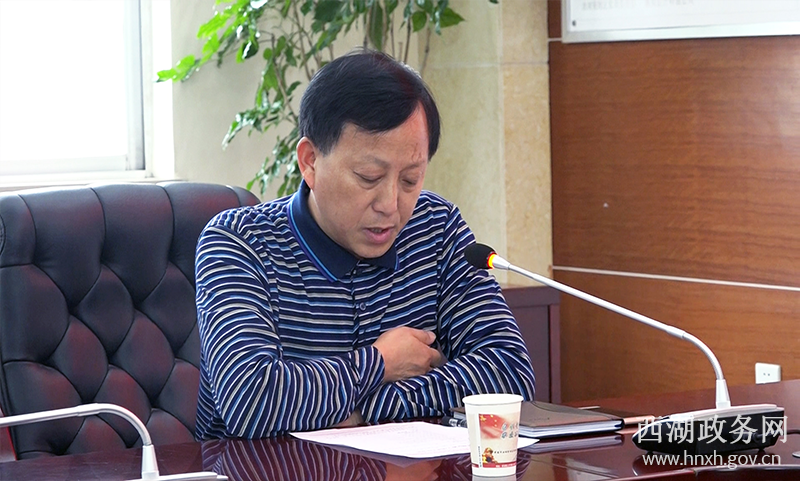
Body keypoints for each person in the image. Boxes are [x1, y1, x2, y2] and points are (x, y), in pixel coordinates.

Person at [194, 49, 535, 440]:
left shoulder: (436, 227)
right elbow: (252, 400)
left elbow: (510, 374)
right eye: (369, 177)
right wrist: (381, 363)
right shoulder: (239, 243)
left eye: (410, 180)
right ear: (310, 161)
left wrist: (367, 409)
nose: (390, 204)